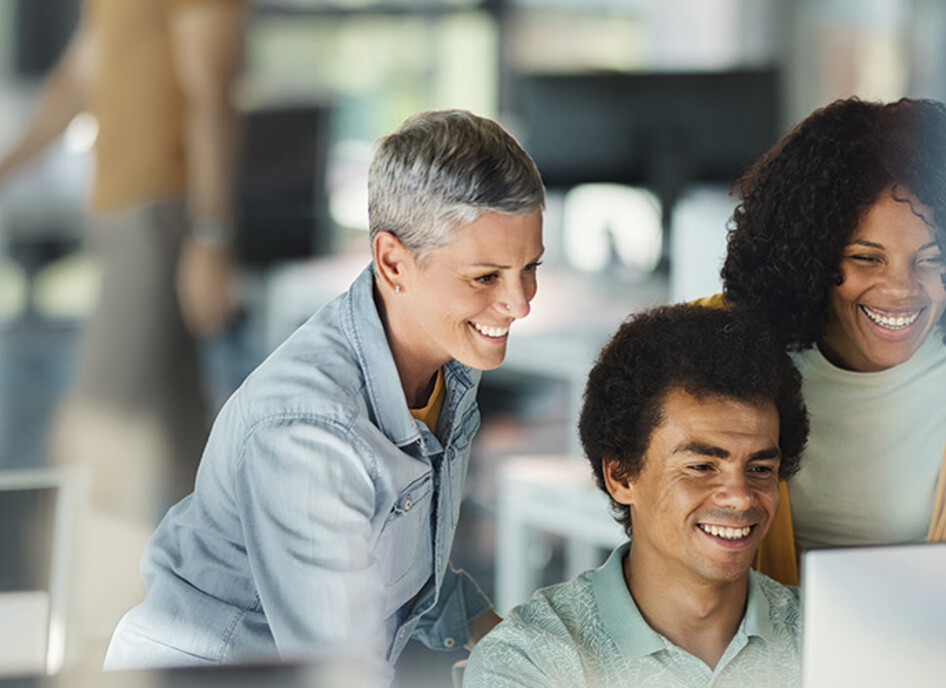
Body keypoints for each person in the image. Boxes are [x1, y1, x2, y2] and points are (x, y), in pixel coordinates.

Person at [104, 109, 546, 683]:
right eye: (486, 277)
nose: (520, 303)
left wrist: (517, 647)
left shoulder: (447, 360)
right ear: (393, 262)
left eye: (529, 267)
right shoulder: (310, 433)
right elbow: (339, 675)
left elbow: (398, 565)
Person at [0, 0, 244, 669]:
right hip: (118, 217)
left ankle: (85, 649)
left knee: (97, 431)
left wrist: (211, 235)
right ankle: (238, 629)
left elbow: (212, 90)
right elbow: (76, 80)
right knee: (188, 446)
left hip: (161, 219)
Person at [463, 304, 809, 688]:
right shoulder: (530, 658)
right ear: (621, 476)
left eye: (760, 469)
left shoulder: (823, 636)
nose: (741, 498)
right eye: (701, 467)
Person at [716, 97, 946, 584]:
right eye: (866, 258)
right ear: (811, 258)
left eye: (931, 260)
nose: (901, 290)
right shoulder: (725, 352)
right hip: (760, 633)